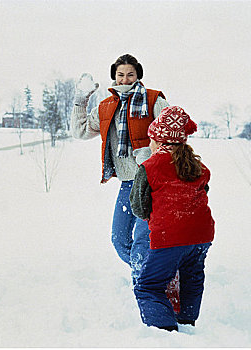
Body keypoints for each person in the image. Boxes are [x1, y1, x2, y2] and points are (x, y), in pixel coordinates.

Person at [71, 54, 169, 283]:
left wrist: (152, 153)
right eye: (120, 75)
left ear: (138, 76)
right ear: (114, 77)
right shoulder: (106, 107)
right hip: (127, 184)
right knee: (120, 240)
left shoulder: (154, 100)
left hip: (152, 182)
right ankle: (152, 273)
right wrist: (80, 102)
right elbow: (81, 131)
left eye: (130, 75)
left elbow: (173, 132)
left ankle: (147, 286)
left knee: (143, 242)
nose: (125, 80)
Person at [129, 106, 215, 331]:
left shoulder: (150, 165)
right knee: (192, 277)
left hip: (170, 236)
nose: (150, 145)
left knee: (148, 286)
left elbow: (138, 207)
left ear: (158, 140)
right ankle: (187, 322)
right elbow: (202, 193)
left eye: (151, 139)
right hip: (202, 235)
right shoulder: (199, 166)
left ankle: (165, 333)